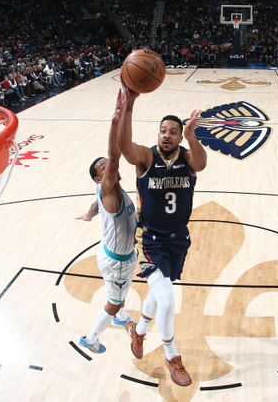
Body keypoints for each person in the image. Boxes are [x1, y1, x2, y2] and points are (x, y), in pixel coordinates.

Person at [118, 83, 207, 387]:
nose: (167, 134)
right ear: (157, 134)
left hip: (179, 238)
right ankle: (172, 356)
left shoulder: (187, 158)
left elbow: (202, 163)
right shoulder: (145, 158)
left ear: (179, 136)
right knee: (168, 301)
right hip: (150, 239)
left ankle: (139, 331)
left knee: (159, 294)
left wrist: (193, 136)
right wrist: (128, 106)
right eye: (162, 130)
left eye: (173, 131)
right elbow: (125, 147)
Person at [78, 90, 137, 354]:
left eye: (105, 165)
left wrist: (90, 213)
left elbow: (95, 202)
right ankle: (91, 338)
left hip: (119, 255)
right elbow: (115, 156)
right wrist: (116, 120)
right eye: (102, 168)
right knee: (113, 301)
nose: (108, 166)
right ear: (99, 179)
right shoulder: (109, 189)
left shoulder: (102, 193)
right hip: (118, 261)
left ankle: (122, 316)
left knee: (120, 290)